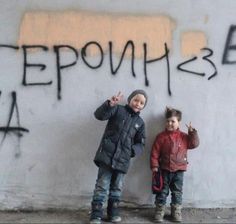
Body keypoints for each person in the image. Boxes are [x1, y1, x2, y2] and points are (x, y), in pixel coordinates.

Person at [90, 90, 148, 224]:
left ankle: (113, 213)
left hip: (123, 161)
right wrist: (109, 104)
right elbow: (99, 115)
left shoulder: (140, 123)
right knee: (102, 186)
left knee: (117, 188)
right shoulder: (117, 110)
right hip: (106, 156)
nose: (137, 104)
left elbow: (141, 143)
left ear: (143, 106)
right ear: (129, 100)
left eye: (141, 103)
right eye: (135, 100)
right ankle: (96, 215)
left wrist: (131, 151)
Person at [150, 107, 199, 223]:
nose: (170, 123)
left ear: (179, 123)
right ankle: (159, 210)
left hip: (179, 171)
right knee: (162, 191)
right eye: (168, 121)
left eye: (173, 121)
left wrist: (192, 133)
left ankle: (176, 211)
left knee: (177, 192)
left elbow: (194, 144)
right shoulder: (161, 137)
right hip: (164, 170)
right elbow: (155, 152)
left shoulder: (184, 137)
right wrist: (154, 166)